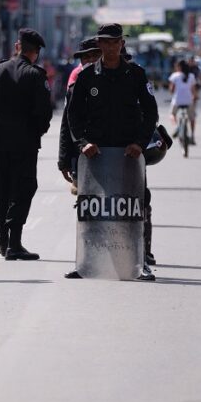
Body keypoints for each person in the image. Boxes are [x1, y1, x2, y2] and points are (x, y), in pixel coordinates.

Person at [65, 23, 159, 281]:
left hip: (129, 153)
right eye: (104, 42)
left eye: (114, 42)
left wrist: (140, 143)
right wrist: (82, 143)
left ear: (121, 44)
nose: (109, 47)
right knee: (91, 205)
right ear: (99, 44)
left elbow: (151, 112)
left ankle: (141, 262)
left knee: (137, 204)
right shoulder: (86, 77)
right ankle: (86, 261)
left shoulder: (136, 74)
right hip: (96, 154)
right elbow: (73, 115)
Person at [0, 28, 53, 260]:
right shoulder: (36, 74)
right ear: (36, 52)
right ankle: (14, 244)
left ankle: (2, 240)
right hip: (25, 143)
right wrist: (38, 131)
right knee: (23, 189)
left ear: (18, 46)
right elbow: (43, 112)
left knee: (2, 187)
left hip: (1, 142)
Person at [58, 38, 101, 192]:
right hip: (83, 152)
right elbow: (67, 123)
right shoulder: (74, 87)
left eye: (94, 56)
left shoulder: (122, 79)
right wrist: (64, 160)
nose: (90, 61)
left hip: (114, 154)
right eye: (85, 57)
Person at [168, 59, 198, 146]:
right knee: (192, 118)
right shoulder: (191, 76)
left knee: (172, 114)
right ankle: (192, 135)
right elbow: (193, 91)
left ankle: (178, 127)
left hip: (177, 101)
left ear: (179, 67)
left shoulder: (175, 76)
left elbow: (171, 90)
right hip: (189, 101)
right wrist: (195, 97)